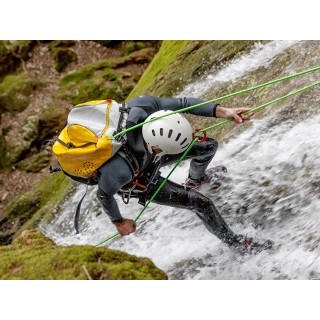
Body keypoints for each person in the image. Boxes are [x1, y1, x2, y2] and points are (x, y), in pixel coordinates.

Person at [97, 96, 273, 254]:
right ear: (158, 149)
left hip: (148, 152)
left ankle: (195, 180)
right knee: (201, 203)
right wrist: (119, 222)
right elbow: (104, 194)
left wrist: (223, 111)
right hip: (138, 177)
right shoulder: (119, 171)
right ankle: (235, 243)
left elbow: (184, 104)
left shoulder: (143, 106)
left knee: (208, 147)